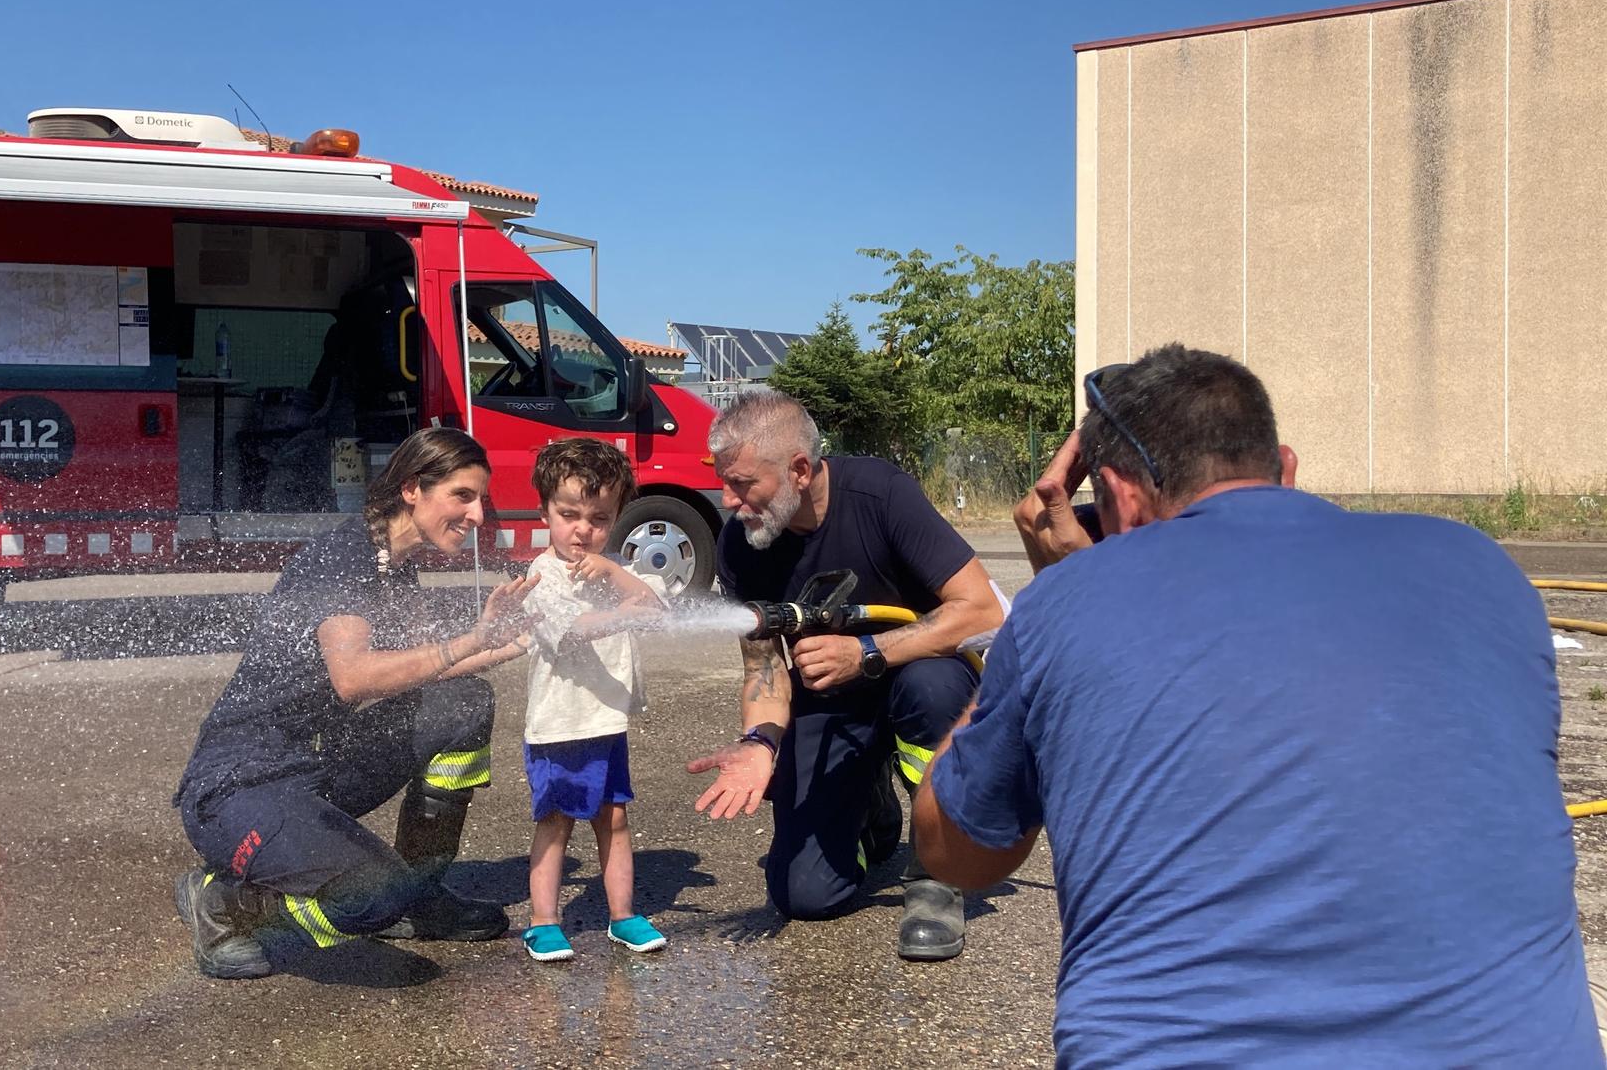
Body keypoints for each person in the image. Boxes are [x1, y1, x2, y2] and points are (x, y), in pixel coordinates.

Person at [914, 344, 1603, 1065]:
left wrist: (1070, 587)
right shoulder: (1483, 570)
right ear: (1287, 467)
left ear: (1114, 494)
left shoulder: (1066, 603)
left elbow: (954, 850)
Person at [173, 427, 538, 979]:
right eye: (464, 496)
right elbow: (355, 678)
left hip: (312, 763)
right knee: (372, 894)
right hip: (240, 784)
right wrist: (472, 638)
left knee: (463, 703)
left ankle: (422, 890)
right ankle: (223, 901)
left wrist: (521, 642)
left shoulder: (395, 565)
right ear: (414, 489)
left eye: (481, 499)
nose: (479, 515)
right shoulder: (347, 558)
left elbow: (426, 667)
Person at [687, 391, 1005, 961]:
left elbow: (981, 610)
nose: (728, 501)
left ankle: (935, 872)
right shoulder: (742, 544)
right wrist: (761, 740)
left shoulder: (880, 495)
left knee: (932, 690)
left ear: (799, 471)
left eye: (741, 484)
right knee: (804, 895)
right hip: (832, 703)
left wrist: (868, 654)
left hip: (921, 680)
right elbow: (763, 666)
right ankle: (870, 803)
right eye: (723, 482)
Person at [516, 437, 669, 962]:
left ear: (617, 516)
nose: (583, 530)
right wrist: (625, 612)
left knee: (616, 820)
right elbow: (572, 629)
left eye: (599, 518)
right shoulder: (540, 578)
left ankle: (623, 915)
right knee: (555, 823)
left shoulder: (610, 571)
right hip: (558, 727)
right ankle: (542, 922)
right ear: (545, 512)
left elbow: (658, 600)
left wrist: (618, 574)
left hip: (606, 724)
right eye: (569, 514)